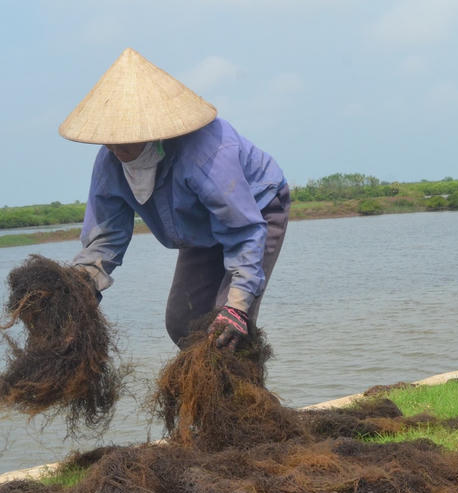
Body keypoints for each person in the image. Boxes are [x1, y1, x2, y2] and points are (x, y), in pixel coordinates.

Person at [59, 48, 289, 351]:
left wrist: (237, 306)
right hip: (199, 228)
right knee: (183, 322)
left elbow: (243, 231)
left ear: (154, 130)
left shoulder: (206, 154)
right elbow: (107, 234)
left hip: (254, 212)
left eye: (125, 137)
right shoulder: (110, 162)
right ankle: (209, 393)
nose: (115, 146)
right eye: (109, 138)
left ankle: (246, 393)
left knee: (228, 328)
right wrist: (83, 281)